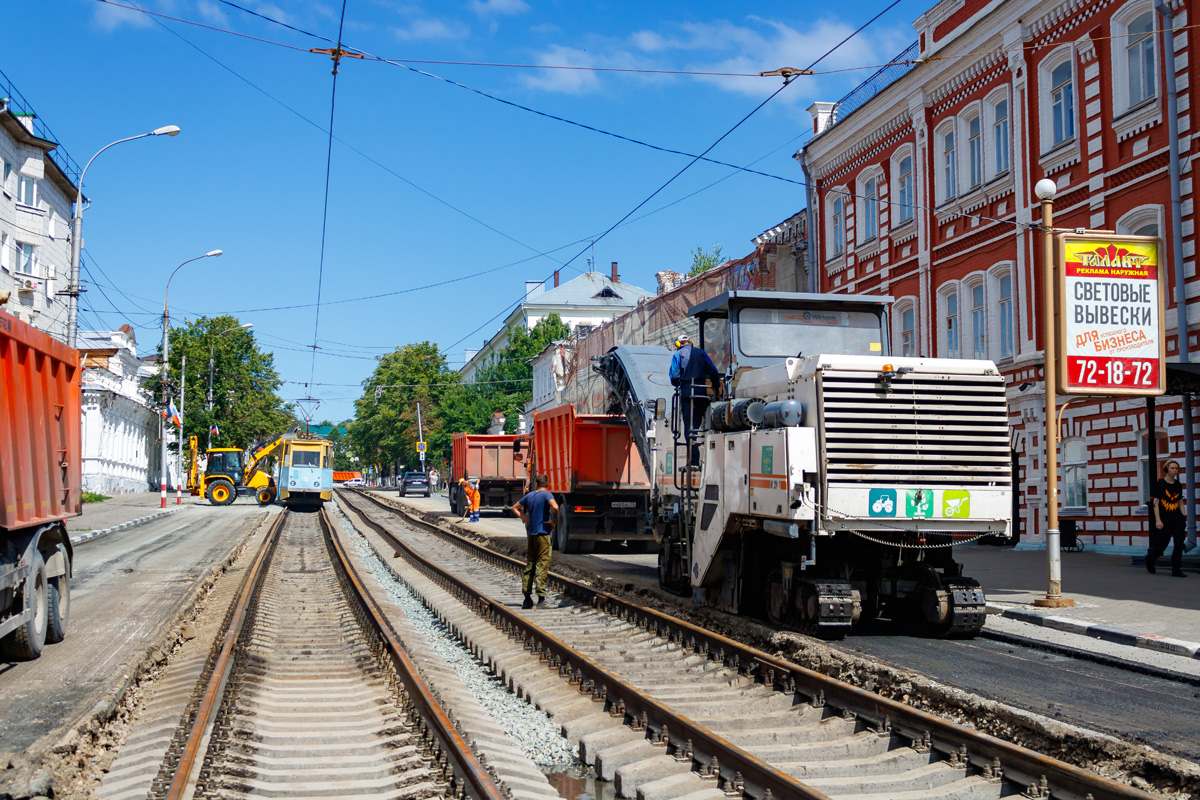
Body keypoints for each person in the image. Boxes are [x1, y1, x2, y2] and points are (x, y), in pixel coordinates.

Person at [669, 334, 721, 465]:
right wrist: (716, 386)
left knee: (689, 427)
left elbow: (674, 376)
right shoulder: (701, 353)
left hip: (687, 392)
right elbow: (713, 371)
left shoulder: (678, 354)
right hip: (701, 392)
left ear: (678, 344)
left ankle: (693, 459)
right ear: (690, 342)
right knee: (699, 424)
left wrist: (678, 384)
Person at [513, 474, 559, 609]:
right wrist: (553, 522)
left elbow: (514, 508)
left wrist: (526, 519)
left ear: (536, 484)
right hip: (543, 534)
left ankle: (527, 598)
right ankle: (541, 599)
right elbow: (555, 507)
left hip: (531, 534)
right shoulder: (547, 495)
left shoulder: (529, 496)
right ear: (547, 484)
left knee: (530, 565)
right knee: (542, 565)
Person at [1148, 459, 1188, 577]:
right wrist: (1158, 520)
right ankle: (1150, 559)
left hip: (1177, 519)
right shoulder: (1160, 484)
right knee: (1161, 545)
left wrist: (1183, 515)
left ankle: (1176, 569)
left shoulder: (1178, 485)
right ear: (1166, 469)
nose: (1174, 470)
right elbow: (1156, 503)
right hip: (1165, 519)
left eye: (1176, 468)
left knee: (1179, 543)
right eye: (1172, 468)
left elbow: (1180, 501)